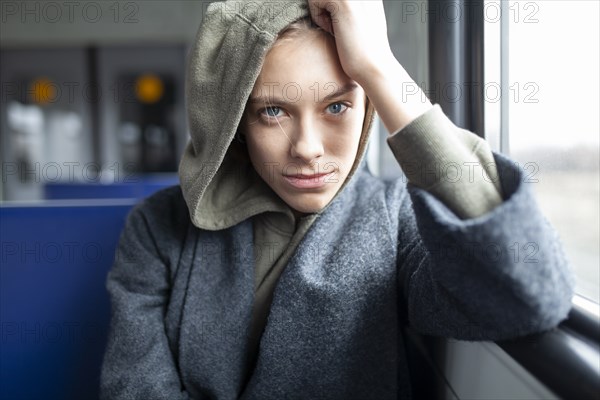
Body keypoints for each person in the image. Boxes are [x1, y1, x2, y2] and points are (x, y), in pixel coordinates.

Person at [100, 1, 574, 399]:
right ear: (235, 125)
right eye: (272, 111)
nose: (307, 147)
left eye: (337, 106)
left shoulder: (396, 219)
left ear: (369, 106)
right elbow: (135, 388)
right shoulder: (159, 226)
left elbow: (524, 295)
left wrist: (381, 68)